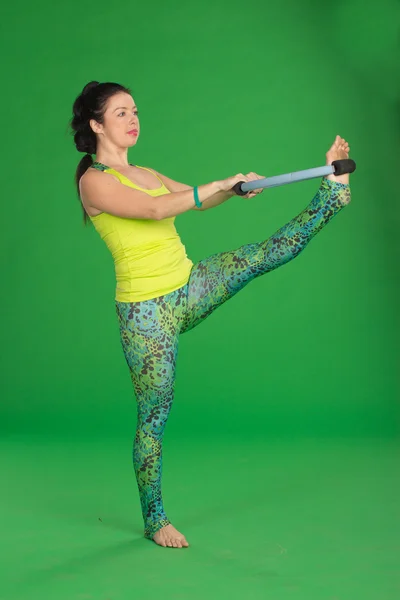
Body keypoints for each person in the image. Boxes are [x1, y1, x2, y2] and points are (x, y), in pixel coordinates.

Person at [70, 81, 352, 549]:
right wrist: (214, 187)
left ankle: (332, 193)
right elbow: (158, 209)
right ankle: (155, 520)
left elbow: (195, 198)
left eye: (135, 110)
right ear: (96, 125)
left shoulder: (146, 170)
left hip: (187, 286)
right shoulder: (94, 181)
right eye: (121, 113)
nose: (133, 118)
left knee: (259, 256)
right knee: (154, 416)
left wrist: (236, 187)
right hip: (146, 316)